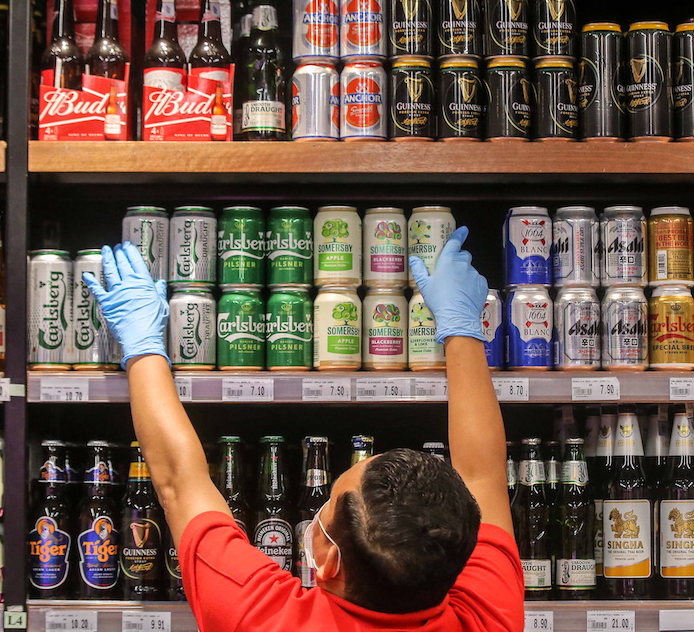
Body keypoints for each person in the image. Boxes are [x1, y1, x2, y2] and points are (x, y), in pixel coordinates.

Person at [84, 226, 523, 632]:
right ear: (462, 555)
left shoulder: (269, 619)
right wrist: (463, 329)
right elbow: (484, 474)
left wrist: (141, 346)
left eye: (329, 502)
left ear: (327, 560)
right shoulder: (488, 616)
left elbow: (179, 480)